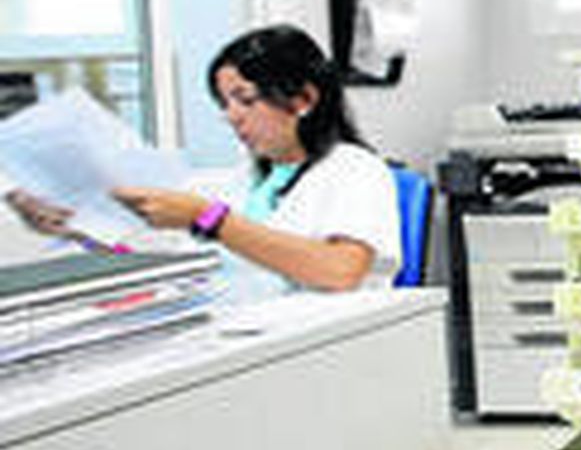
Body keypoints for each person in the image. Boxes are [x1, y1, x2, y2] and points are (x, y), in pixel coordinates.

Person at [6, 24, 400, 295]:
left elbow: (340, 271)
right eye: (224, 103)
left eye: (246, 99)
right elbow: (162, 260)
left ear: (304, 100)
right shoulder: (233, 182)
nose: (232, 116)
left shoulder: (353, 170)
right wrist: (72, 226)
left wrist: (210, 220)